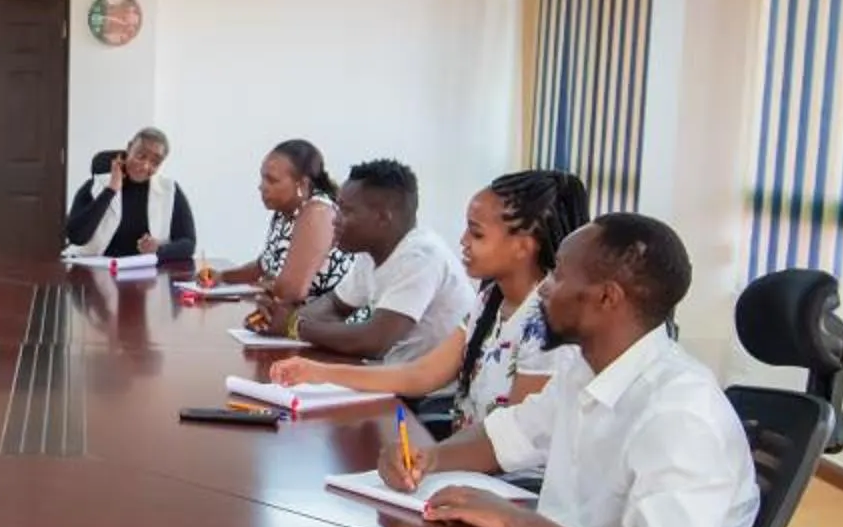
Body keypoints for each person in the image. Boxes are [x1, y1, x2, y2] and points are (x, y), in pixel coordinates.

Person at [392, 213, 760, 527]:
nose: (544, 288)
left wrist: (521, 521)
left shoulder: (679, 413)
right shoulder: (586, 367)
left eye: (560, 274)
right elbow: (510, 435)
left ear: (608, 297)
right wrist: (429, 457)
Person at [272, 169, 587, 426]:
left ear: (524, 245)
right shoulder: (490, 300)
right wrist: (316, 372)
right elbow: (421, 374)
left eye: (476, 234)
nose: (462, 241)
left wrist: (433, 459)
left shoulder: (547, 324)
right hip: (468, 457)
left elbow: (513, 439)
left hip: (505, 482)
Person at [261, 158, 466, 363]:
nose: (335, 219)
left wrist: (293, 326)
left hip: (431, 393)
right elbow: (335, 306)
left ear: (383, 218)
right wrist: (278, 320)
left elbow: (374, 342)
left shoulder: (421, 257)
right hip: (393, 375)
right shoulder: (372, 252)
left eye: (346, 211)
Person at [213, 139, 352, 302]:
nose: (262, 187)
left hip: (325, 322)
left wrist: (266, 284)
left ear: (302, 184)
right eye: (262, 178)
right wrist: (220, 277)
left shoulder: (317, 213)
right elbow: (264, 266)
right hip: (290, 318)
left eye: (272, 180)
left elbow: (292, 291)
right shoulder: (285, 211)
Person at [64, 126, 196, 261]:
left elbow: (188, 243)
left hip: (145, 273)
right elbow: (76, 237)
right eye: (141, 156)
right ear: (129, 148)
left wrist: (160, 249)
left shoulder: (169, 190)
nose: (145, 166)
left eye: (155, 162)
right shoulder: (95, 185)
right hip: (95, 270)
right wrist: (110, 190)